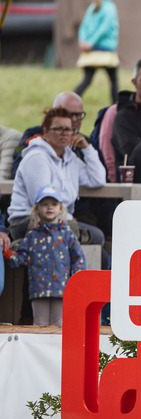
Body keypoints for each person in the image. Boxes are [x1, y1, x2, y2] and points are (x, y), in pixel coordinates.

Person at [8, 108, 106, 249]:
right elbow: (41, 199)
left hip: (58, 219)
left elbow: (97, 179)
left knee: (95, 240)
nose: (64, 133)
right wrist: (69, 219)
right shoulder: (37, 157)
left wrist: (86, 148)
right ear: (46, 131)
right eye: (58, 129)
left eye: (68, 129)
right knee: (95, 237)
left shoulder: (69, 157)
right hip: (27, 220)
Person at [5, 184, 84, 326]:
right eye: (44, 204)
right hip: (39, 290)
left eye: (54, 204)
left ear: (60, 209)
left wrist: (77, 283)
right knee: (39, 324)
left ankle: (58, 350)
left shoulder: (68, 235)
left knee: (60, 324)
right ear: (37, 209)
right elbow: (20, 258)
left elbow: (78, 260)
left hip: (62, 290)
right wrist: (7, 253)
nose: (49, 207)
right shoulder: (31, 236)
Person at [74, 0, 119, 105]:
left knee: (86, 80)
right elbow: (105, 28)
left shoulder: (92, 7)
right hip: (106, 51)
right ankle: (116, 108)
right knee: (114, 81)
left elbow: (83, 26)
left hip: (91, 51)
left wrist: (83, 42)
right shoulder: (110, 7)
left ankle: (69, 102)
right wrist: (91, 43)